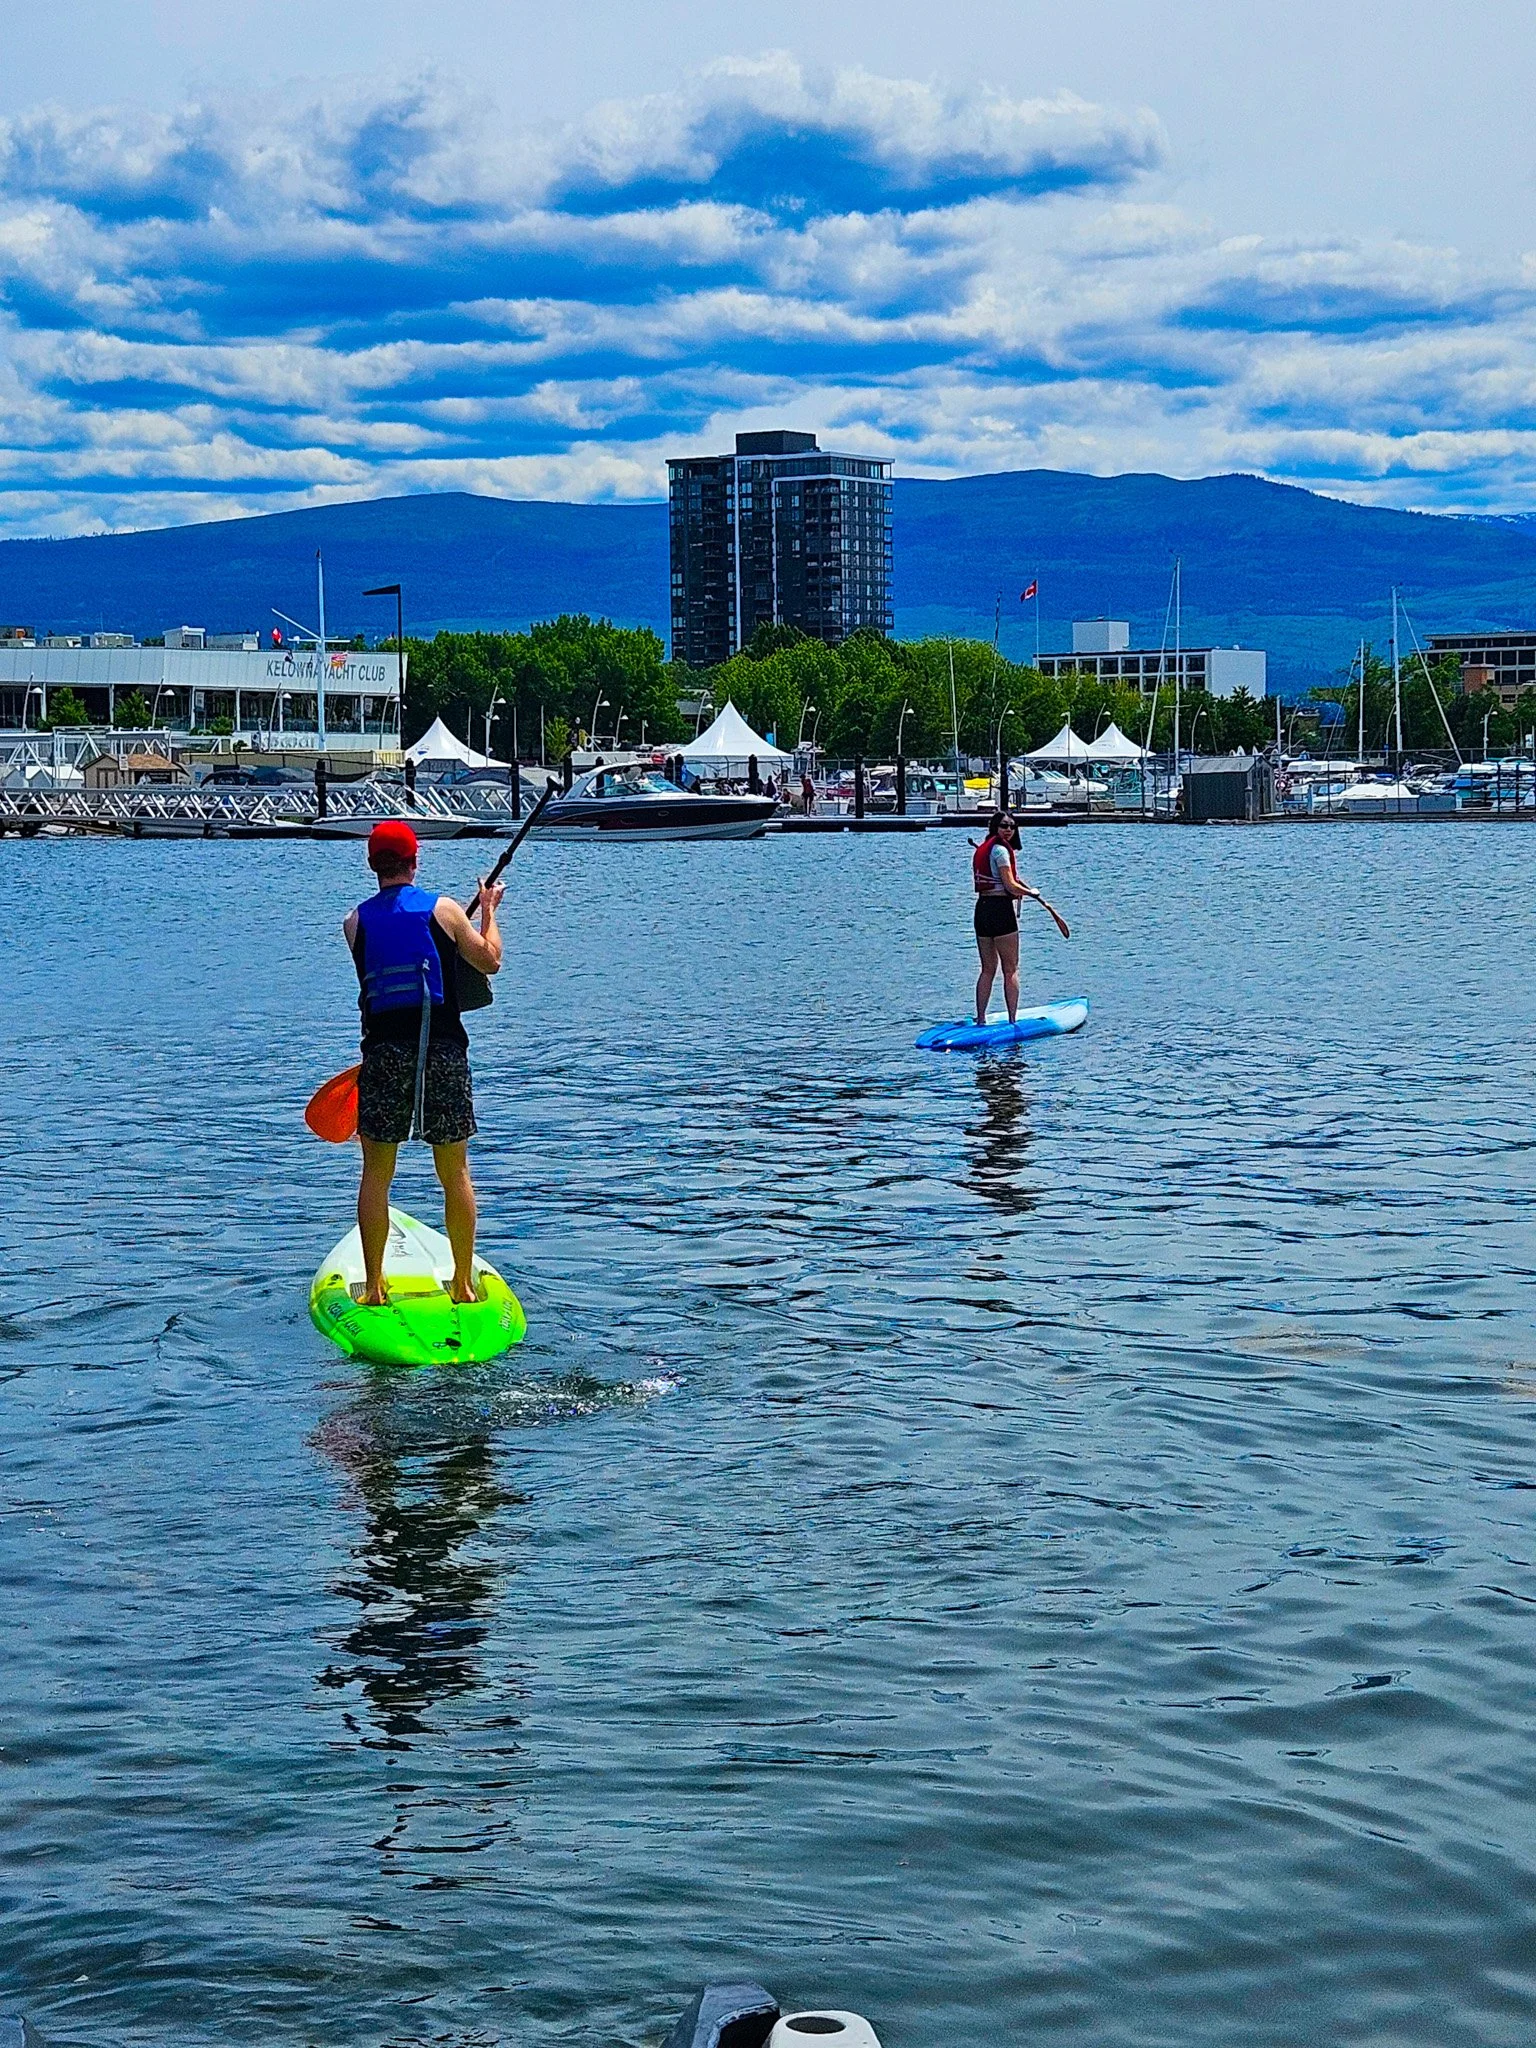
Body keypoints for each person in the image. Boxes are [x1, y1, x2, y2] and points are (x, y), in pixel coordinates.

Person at [343, 821, 505, 1307]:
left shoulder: (354, 922)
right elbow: (490, 961)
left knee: (376, 1173)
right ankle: (462, 1285)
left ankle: (375, 1287)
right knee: (455, 1172)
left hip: (383, 1054)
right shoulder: (446, 909)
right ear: (415, 862)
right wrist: (487, 913)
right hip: (443, 1052)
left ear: (372, 865)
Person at [971, 810, 1035, 1025]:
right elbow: (1010, 885)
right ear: (995, 828)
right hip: (1000, 910)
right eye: (1004, 826)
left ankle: (981, 1019)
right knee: (1010, 969)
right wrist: (1031, 893)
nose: (1008, 830)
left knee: (987, 968)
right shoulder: (1000, 851)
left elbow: (1007, 881)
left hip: (982, 910)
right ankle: (1012, 1021)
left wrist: (1019, 887)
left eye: (1012, 826)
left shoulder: (986, 849)